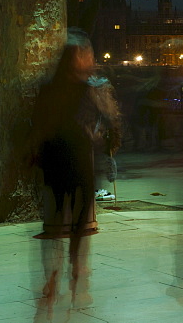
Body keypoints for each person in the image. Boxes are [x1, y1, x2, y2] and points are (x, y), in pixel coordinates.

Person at [31, 31, 122, 310]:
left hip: (53, 160)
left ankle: (54, 275)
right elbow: (111, 119)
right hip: (79, 158)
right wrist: (111, 140)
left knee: (55, 222)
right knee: (80, 222)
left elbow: (37, 125)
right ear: (78, 59)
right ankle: (76, 269)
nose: (92, 60)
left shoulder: (48, 87)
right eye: (88, 55)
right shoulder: (91, 88)